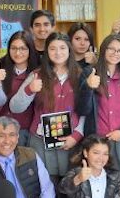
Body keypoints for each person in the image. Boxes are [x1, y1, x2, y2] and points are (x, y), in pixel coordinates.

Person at [10, 32, 85, 184]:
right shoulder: (37, 75)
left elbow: (86, 110)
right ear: (46, 51)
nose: (58, 52)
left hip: (70, 140)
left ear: (69, 50)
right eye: (52, 48)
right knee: (44, 185)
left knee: (71, 185)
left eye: (62, 48)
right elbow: (15, 107)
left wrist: (77, 135)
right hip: (40, 141)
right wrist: (29, 89)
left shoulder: (81, 75)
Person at [76, 33, 120, 188]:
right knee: (103, 187)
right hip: (99, 142)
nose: (115, 53)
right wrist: (88, 87)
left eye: (119, 50)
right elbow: (82, 109)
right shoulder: (90, 73)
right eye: (111, 49)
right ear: (103, 50)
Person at [0, 31, 40, 146]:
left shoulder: (38, 72)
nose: (18, 53)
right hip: (1, 128)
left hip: (26, 130)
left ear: (30, 50)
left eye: (23, 48)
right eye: (13, 48)